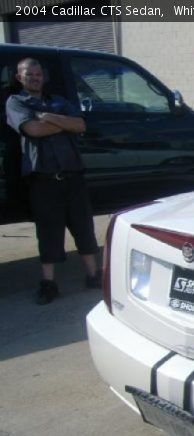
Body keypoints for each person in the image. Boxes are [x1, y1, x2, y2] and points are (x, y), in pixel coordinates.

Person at [5, 57, 100, 305]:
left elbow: (80, 125)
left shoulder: (59, 101)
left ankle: (93, 275)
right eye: (29, 75)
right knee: (49, 234)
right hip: (43, 180)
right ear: (19, 78)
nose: (35, 78)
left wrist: (49, 116)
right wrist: (63, 123)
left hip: (73, 177)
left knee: (84, 228)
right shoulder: (16, 102)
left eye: (38, 74)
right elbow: (33, 130)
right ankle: (49, 284)